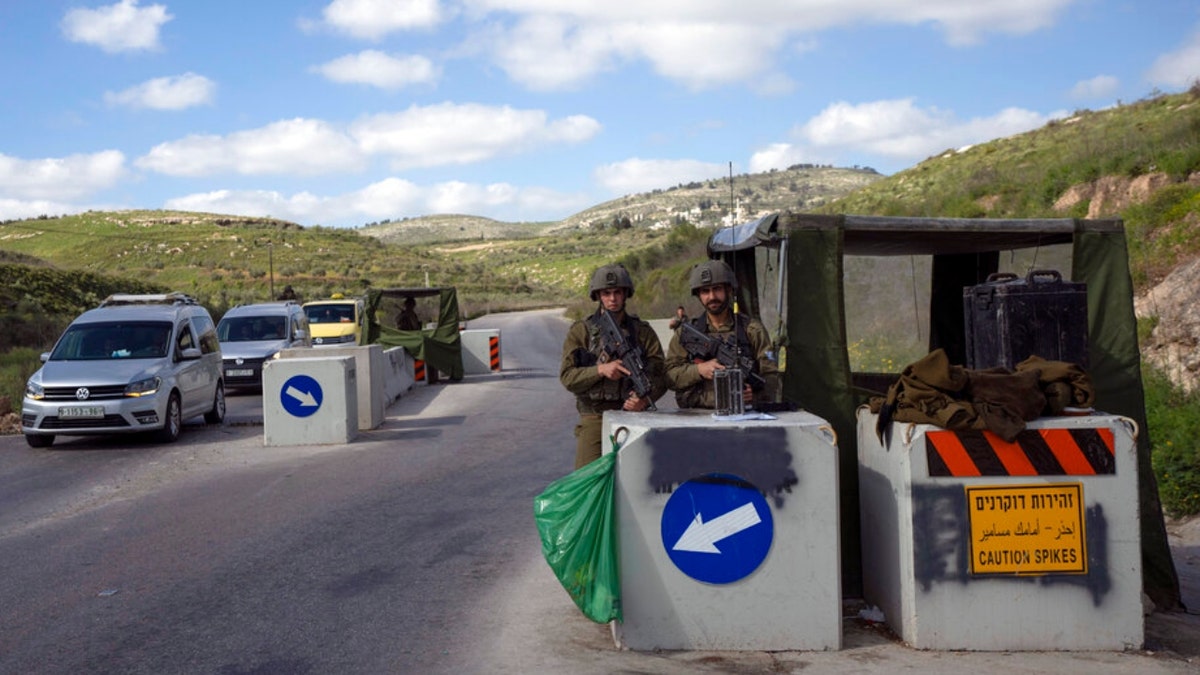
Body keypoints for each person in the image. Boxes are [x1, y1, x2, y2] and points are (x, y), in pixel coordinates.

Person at [560, 263, 668, 469]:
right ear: (598, 295)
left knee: (639, 475)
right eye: (606, 293)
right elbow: (567, 377)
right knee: (587, 481)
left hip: (634, 414)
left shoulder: (642, 331)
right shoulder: (581, 331)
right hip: (595, 416)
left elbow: (662, 375)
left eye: (617, 292)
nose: (612, 298)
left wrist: (644, 399)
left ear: (625, 294)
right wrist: (600, 370)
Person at [665, 259, 778, 409]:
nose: (712, 297)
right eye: (705, 291)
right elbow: (668, 377)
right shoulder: (685, 334)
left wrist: (755, 395)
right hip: (696, 415)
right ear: (698, 295)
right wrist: (699, 370)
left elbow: (772, 374)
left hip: (743, 414)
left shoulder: (752, 330)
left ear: (729, 290)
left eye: (717, 289)